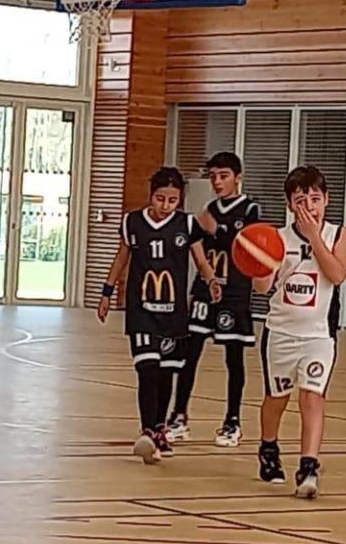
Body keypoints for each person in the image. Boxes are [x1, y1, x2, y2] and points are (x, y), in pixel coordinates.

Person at [97, 167, 221, 464]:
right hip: (141, 310)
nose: (165, 205)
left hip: (173, 314)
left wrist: (212, 280)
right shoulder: (132, 222)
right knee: (147, 369)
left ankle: (160, 429)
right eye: (160, 198)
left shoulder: (186, 224)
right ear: (151, 195)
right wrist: (107, 291)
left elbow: (200, 259)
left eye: (172, 200)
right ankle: (147, 430)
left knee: (166, 374)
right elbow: (122, 257)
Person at [254, 165, 346, 499]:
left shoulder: (339, 235)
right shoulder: (278, 239)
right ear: (289, 205)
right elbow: (262, 286)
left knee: (312, 397)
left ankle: (308, 466)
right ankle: (268, 447)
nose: (309, 206)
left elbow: (337, 275)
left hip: (318, 336)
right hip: (280, 332)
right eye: (300, 200)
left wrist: (314, 239)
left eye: (315, 199)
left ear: (326, 200)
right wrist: (256, 260)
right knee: (276, 399)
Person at [167, 151, 260, 447]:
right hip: (206, 290)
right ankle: (179, 416)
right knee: (189, 353)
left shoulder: (250, 210)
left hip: (234, 294)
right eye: (213, 177)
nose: (217, 182)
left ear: (238, 177)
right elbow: (200, 250)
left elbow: (247, 248)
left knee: (233, 358)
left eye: (223, 176)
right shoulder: (209, 209)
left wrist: (216, 230)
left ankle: (232, 421)